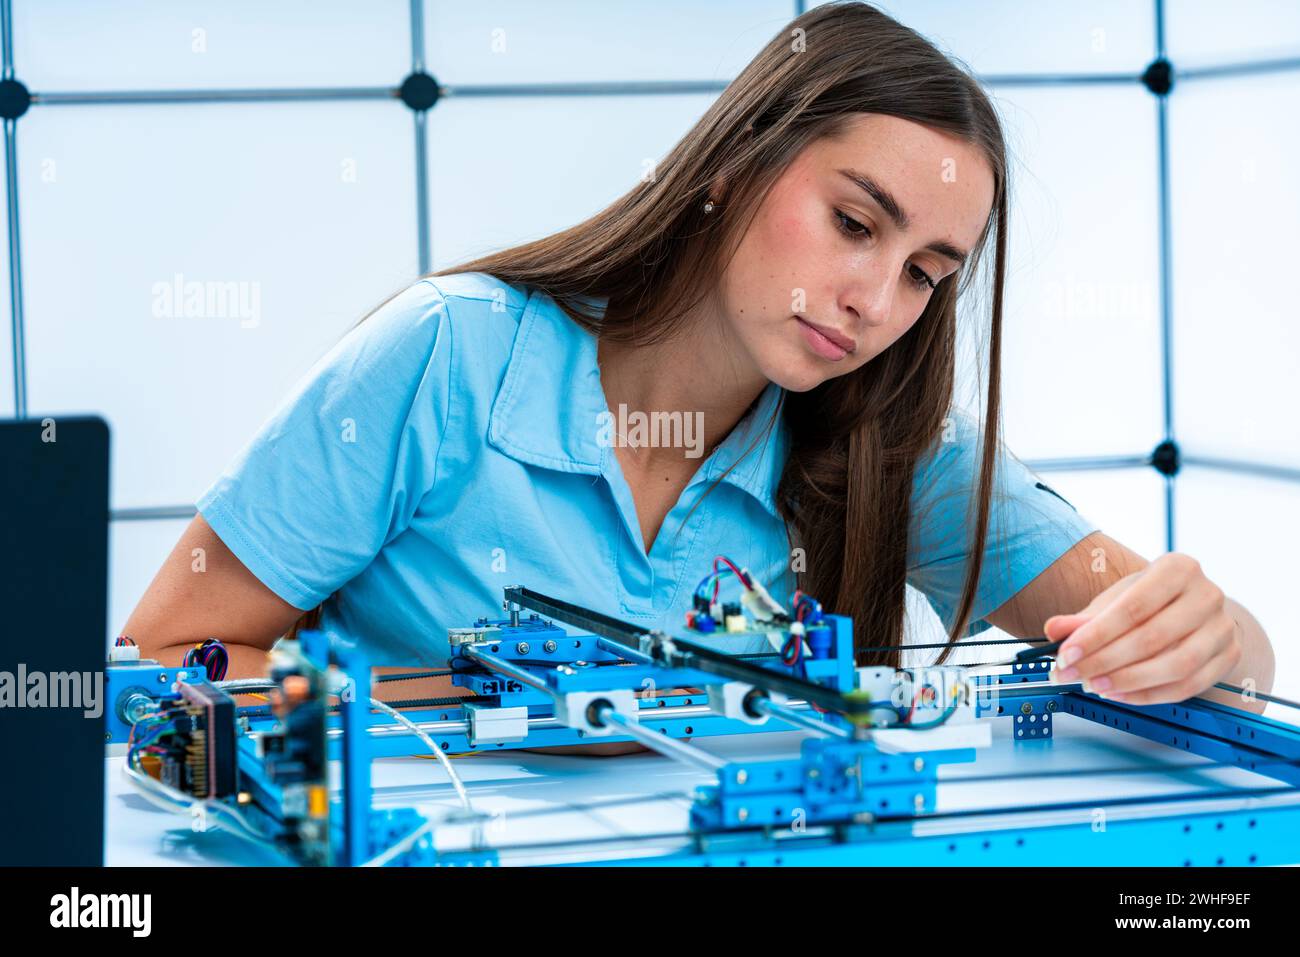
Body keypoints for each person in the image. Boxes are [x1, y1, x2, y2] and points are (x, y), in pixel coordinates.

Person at [124, 2, 1274, 741]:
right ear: (732, 163)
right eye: (852, 222)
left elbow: (1207, 649)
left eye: (927, 272)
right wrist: (476, 705)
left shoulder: (891, 439)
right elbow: (168, 654)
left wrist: (1212, 637)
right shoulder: (447, 357)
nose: (876, 303)